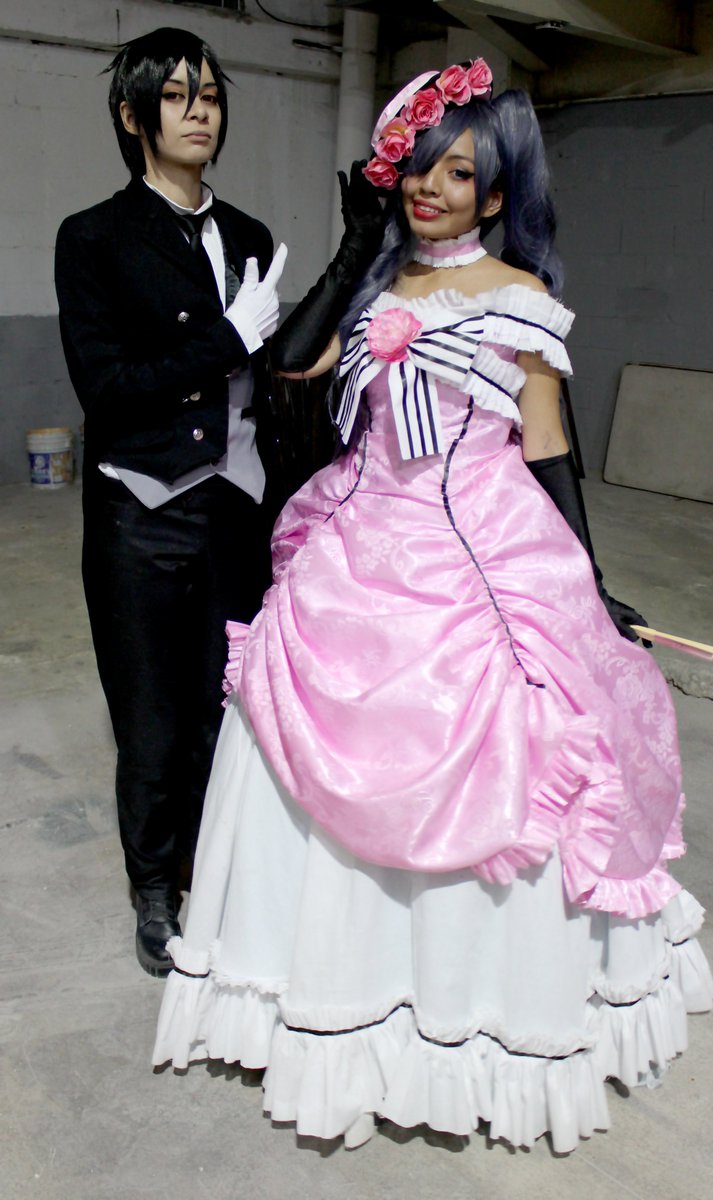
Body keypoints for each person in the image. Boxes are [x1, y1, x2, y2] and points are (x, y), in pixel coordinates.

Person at [152, 61, 713, 1152]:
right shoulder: (375, 289)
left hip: (477, 545)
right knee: (284, 740)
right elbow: (290, 364)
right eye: (418, 166)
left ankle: (467, 1009)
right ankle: (329, 988)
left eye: (458, 174)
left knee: (526, 730)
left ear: (494, 194)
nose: (431, 188)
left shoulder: (520, 299)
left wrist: (589, 583)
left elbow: (545, 448)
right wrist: (356, 247)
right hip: (353, 541)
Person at [54, 27, 287, 977]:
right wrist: (229, 337)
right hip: (140, 512)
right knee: (149, 716)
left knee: (224, 707)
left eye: (212, 95)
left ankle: (213, 871)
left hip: (237, 505)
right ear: (133, 115)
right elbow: (108, 390)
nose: (200, 112)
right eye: (179, 95)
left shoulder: (251, 237)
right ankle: (154, 890)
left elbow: (277, 373)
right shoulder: (94, 238)